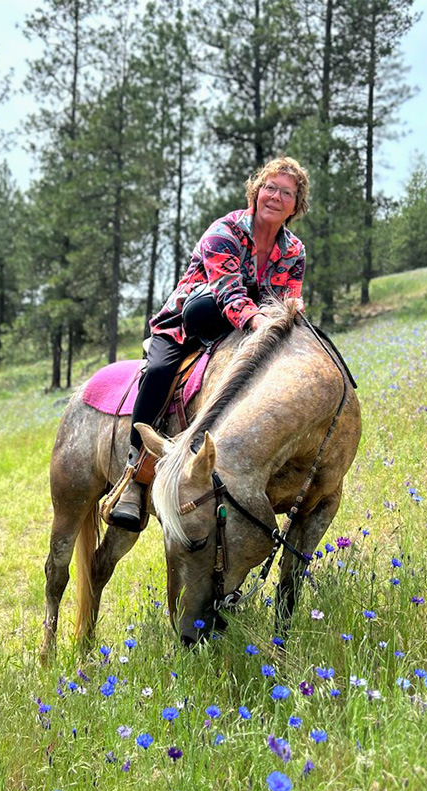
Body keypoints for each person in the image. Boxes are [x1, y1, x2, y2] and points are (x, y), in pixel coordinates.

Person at [109, 156, 310, 531]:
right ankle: (134, 476)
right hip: (190, 323)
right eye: (270, 187)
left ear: (296, 206)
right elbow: (229, 293)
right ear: (255, 191)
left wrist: (290, 315)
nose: (275, 196)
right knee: (159, 369)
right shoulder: (225, 231)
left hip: (252, 335)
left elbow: (287, 301)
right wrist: (261, 320)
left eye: (286, 192)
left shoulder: (294, 251)